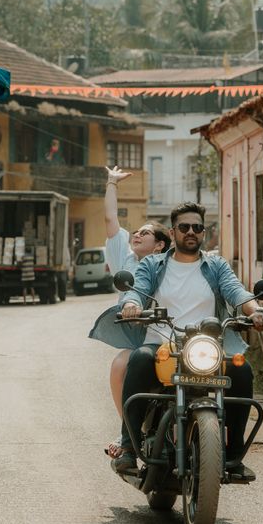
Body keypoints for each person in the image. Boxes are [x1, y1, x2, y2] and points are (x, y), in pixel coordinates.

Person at [112, 201, 263, 481]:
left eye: (197, 227)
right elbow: (137, 289)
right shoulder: (153, 264)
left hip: (204, 347)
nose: (191, 232)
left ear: (203, 232)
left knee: (241, 369)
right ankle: (127, 446)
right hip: (162, 344)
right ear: (172, 233)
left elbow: (237, 292)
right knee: (138, 359)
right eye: (184, 227)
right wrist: (132, 304)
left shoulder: (216, 266)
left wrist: (256, 310)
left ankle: (233, 456)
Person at [96, 166, 171, 457]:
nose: (137, 235)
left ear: (160, 245)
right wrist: (112, 183)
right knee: (120, 365)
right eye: (137, 231)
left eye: (146, 233)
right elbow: (110, 218)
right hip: (136, 337)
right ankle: (126, 431)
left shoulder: (172, 265)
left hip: (172, 336)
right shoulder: (124, 258)